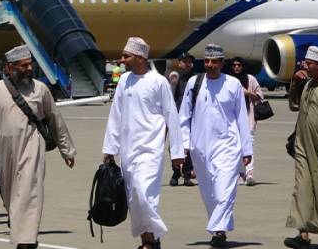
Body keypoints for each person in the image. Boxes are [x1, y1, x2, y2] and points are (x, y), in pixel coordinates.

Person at [0, 44, 76, 249]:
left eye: (30, 64)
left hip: (32, 146)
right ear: (10, 68)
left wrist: (67, 150)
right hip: (6, 149)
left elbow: (55, 120)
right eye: (23, 65)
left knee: (29, 191)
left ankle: (25, 242)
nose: (29, 69)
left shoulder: (40, 89)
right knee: (12, 194)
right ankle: (27, 237)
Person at [103, 37, 185, 249]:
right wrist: (110, 149)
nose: (122, 60)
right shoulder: (125, 80)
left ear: (140, 57)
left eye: (126, 56)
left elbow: (172, 116)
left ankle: (154, 235)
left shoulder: (159, 82)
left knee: (144, 193)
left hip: (151, 150)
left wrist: (177, 152)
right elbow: (115, 115)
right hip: (128, 151)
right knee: (135, 200)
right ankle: (148, 241)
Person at [179, 44, 252, 248]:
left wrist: (247, 149)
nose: (210, 65)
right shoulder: (195, 82)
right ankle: (219, 231)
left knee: (225, 190)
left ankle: (217, 228)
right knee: (209, 193)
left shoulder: (233, 84)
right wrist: (183, 145)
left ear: (222, 63)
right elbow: (184, 116)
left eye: (214, 62)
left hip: (228, 145)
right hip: (199, 147)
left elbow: (241, 119)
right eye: (207, 61)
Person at [283, 46, 318, 249]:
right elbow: (293, 105)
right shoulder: (308, 84)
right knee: (301, 188)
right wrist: (296, 82)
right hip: (303, 146)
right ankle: (302, 234)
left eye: (309, 64)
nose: (305, 66)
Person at [229, 57, 263, 186]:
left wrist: (248, 93)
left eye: (239, 65)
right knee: (234, 148)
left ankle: (249, 173)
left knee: (248, 146)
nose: (236, 67)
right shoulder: (228, 80)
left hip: (248, 118)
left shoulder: (250, 79)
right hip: (232, 120)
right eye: (234, 65)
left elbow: (260, 95)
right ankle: (239, 173)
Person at [170, 52, 197, 187]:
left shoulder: (196, 79)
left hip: (192, 116)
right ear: (179, 63)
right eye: (184, 61)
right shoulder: (176, 78)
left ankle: (186, 174)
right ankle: (175, 172)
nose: (187, 64)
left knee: (189, 146)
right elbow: (172, 97)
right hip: (177, 116)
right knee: (175, 146)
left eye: (189, 62)